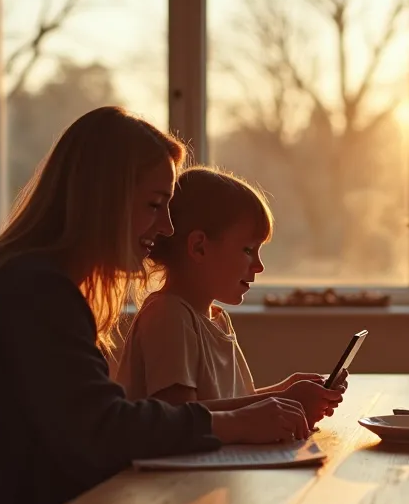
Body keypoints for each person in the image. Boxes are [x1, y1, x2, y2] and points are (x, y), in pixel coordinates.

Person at [0, 107, 310, 504]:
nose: (166, 227)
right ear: (100, 200)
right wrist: (235, 423)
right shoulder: (33, 291)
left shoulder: (39, 283)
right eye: (154, 205)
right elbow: (103, 431)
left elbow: (94, 424)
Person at [115, 166, 345, 424]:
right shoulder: (169, 316)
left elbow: (229, 405)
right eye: (248, 250)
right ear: (199, 247)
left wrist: (286, 391)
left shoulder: (216, 318)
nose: (259, 266)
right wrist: (285, 399)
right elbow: (181, 418)